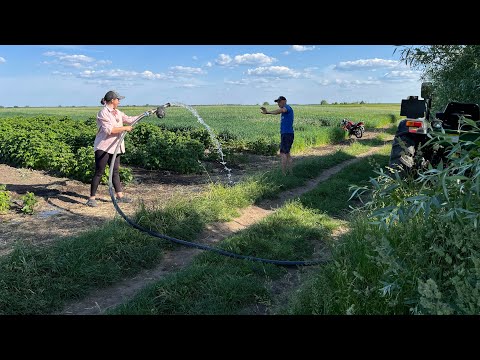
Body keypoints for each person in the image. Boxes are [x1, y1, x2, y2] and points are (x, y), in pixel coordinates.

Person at [86, 90, 140, 207]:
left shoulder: (118, 112)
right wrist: (125, 128)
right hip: (104, 147)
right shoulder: (103, 113)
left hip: (115, 147)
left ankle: (119, 196)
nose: (119, 101)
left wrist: (146, 114)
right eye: (118, 99)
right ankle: (91, 198)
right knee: (99, 172)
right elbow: (109, 130)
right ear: (112, 100)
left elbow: (130, 119)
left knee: (115, 171)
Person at [260, 96, 294, 175]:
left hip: (286, 134)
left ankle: (283, 174)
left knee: (283, 153)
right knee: (287, 153)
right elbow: (279, 111)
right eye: (277, 102)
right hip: (288, 134)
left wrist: (268, 112)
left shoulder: (287, 108)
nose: (278, 103)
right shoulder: (284, 110)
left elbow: (281, 110)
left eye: (279, 102)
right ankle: (291, 173)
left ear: (284, 101)